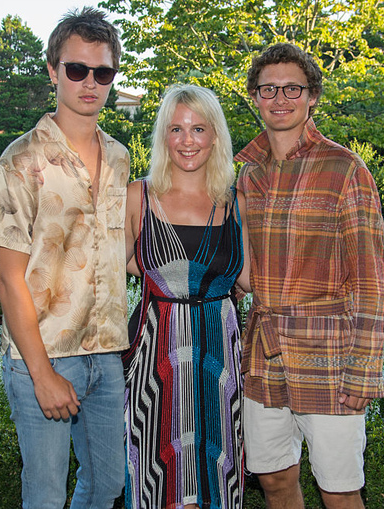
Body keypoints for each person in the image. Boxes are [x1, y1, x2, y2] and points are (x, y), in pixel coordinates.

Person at [0, 6, 129, 509]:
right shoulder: (19, 163)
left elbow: (117, 250)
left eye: (102, 71)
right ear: (53, 71)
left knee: (108, 485)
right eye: (76, 69)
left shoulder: (120, 158)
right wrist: (42, 374)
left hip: (107, 353)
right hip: (41, 354)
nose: (90, 82)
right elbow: (7, 280)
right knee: (45, 497)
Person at [234, 43, 384, 509]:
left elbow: (372, 281)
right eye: (268, 89)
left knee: (339, 492)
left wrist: (365, 370)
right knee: (275, 480)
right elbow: (245, 271)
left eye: (292, 89)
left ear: (312, 96)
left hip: (330, 362)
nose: (280, 98)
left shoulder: (345, 169)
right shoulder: (247, 174)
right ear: (255, 97)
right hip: (265, 357)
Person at [123, 84, 251, 509]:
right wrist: (170, 281)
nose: (187, 141)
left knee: (218, 469)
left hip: (219, 353)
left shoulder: (234, 201)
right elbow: (117, 263)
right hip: (156, 353)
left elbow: (249, 277)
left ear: (215, 136)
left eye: (198, 128)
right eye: (175, 129)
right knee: (160, 475)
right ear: (162, 136)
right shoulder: (137, 196)